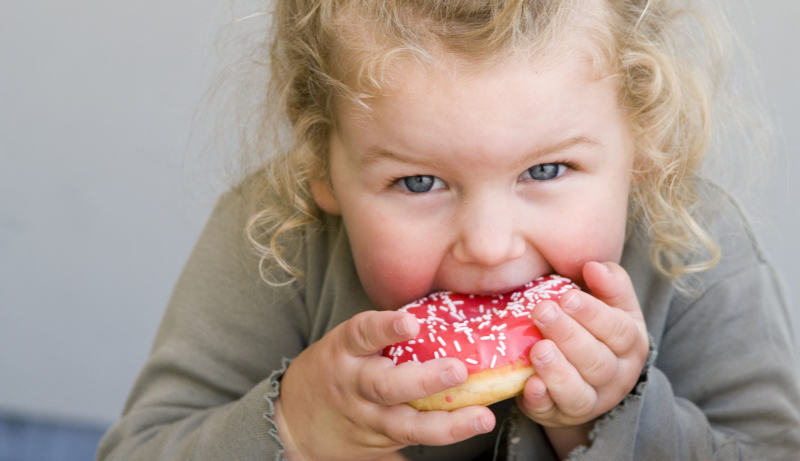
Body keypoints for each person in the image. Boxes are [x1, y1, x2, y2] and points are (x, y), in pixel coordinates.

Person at [97, 0, 800, 459]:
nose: (491, 245)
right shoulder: (277, 235)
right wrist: (297, 426)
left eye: (548, 169)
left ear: (643, 143)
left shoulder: (695, 246)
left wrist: (607, 420)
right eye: (420, 183)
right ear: (322, 164)